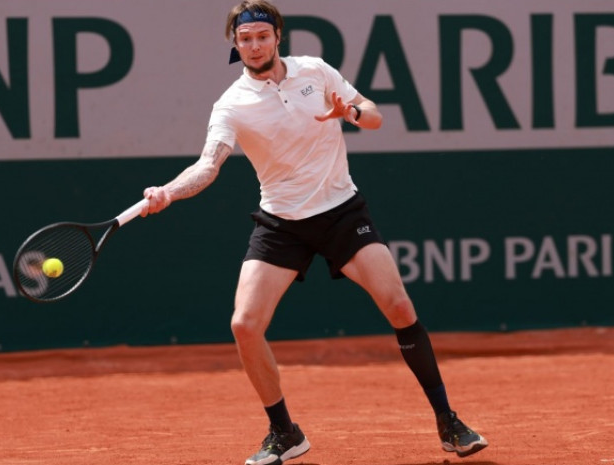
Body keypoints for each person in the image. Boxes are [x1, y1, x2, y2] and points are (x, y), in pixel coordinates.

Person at [141, 1, 488, 463]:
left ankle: (449, 422)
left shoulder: (316, 71)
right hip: (281, 223)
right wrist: (168, 192)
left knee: (399, 306)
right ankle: (284, 432)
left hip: (342, 211)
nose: (254, 46)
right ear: (235, 44)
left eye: (262, 36)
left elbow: (374, 114)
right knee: (244, 325)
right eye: (245, 39)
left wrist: (352, 113)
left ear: (277, 36)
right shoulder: (231, 104)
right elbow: (208, 165)